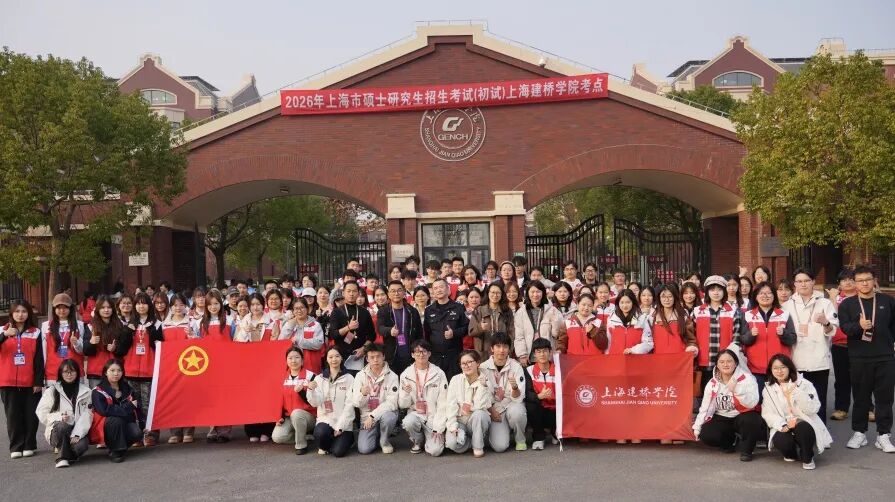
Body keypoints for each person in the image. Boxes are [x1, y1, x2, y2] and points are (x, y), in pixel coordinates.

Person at [838, 265, 895, 453]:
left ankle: (883, 435)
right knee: (861, 398)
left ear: (874, 280)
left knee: (885, 398)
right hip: (859, 358)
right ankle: (859, 432)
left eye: (868, 279)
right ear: (855, 283)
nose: (864, 283)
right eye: (860, 280)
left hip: (885, 357)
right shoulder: (847, 304)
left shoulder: (888, 301)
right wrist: (859, 326)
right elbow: (845, 329)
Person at [782, 268, 838, 423]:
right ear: (794, 284)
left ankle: (821, 433)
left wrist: (825, 322)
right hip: (795, 362)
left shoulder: (825, 303)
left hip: (818, 361)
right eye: (799, 281)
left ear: (813, 282)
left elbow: (832, 330)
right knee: (796, 402)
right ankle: (801, 433)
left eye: (807, 280)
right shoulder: (786, 306)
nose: (803, 284)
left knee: (818, 401)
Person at [761, 354, 833, 470]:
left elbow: (813, 409)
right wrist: (782, 425)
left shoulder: (804, 384)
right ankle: (791, 453)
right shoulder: (768, 388)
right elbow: (767, 413)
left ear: (790, 368)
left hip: (802, 421)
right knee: (782, 441)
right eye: (775, 368)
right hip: (784, 423)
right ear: (771, 370)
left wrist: (797, 392)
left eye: (783, 367)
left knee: (804, 428)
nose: (779, 371)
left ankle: (807, 457)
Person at [693, 349, 764, 461]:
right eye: (722, 362)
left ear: (735, 363)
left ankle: (747, 450)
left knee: (752, 420)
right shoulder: (712, 383)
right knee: (706, 434)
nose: (725, 364)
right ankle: (729, 443)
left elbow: (752, 402)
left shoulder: (747, 378)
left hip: (742, 414)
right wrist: (697, 427)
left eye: (729, 361)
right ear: (717, 365)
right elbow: (705, 408)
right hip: (722, 416)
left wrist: (737, 389)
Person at [0, 299, 43, 459]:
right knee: (13, 415)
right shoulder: (2, 330)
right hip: (7, 381)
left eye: (24, 311)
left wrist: (38, 381)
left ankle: (29, 444)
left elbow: (39, 359)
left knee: (31, 415)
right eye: (17, 311)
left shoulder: (35, 332)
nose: (20, 314)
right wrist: (4, 336)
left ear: (28, 313)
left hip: (30, 382)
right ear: (11, 314)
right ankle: (16, 446)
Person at [693, 275, 748, 391]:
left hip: (726, 361)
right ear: (707, 292)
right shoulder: (698, 311)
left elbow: (736, 337)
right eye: (712, 289)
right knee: (707, 390)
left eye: (719, 289)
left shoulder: (733, 311)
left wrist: (731, 356)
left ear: (724, 291)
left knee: (725, 391)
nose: (716, 293)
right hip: (704, 360)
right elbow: (692, 335)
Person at [123, 292, 163, 446]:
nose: (141, 306)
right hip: (131, 371)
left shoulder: (156, 324)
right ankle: (137, 435)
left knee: (149, 405)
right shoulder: (129, 324)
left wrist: (151, 331)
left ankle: (151, 434)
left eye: (144, 303)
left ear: (149, 305)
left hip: (149, 370)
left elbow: (159, 347)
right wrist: (128, 332)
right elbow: (122, 348)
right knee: (135, 405)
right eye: (138, 303)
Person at [343, 344, 399, 454]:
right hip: (366, 417)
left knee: (389, 417)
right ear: (367, 359)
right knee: (364, 449)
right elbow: (356, 403)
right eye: (372, 357)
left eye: (378, 356)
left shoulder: (392, 376)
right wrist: (362, 394)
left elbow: (392, 403)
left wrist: (373, 416)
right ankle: (377, 434)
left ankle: (384, 441)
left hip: (383, 414)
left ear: (383, 357)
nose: (375, 360)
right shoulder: (360, 376)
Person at [741, 282, 797, 391]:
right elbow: (743, 339)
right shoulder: (748, 315)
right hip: (755, 368)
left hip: (780, 369)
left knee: (780, 398)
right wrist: (751, 335)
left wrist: (783, 334)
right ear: (756, 297)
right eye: (761, 293)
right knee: (758, 398)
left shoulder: (784, 314)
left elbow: (792, 339)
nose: (765, 296)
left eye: (768, 293)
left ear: (774, 295)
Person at [36, 360, 92, 468]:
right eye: (66, 372)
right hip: (57, 431)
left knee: (82, 446)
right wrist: (59, 417)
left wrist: (77, 433)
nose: (69, 375)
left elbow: (88, 415)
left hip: (76, 430)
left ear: (77, 373)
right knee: (62, 426)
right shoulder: (52, 390)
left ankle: (66, 453)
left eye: (72, 371)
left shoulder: (86, 391)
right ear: (60, 373)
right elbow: (41, 412)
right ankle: (62, 459)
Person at [398, 339, 448, 456]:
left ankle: (430, 438)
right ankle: (418, 441)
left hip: (433, 416)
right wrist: (405, 393)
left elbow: (443, 403)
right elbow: (403, 405)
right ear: (412, 354)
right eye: (417, 351)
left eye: (424, 351)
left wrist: (438, 427)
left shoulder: (439, 373)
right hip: (416, 414)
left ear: (429, 353)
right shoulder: (405, 375)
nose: (421, 354)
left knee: (435, 451)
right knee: (408, 422)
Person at [479, 333, 527, 452]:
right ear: (492, 348)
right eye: (498, 346)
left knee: (517, 412)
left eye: (505, 346)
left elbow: (518, 398)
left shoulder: (516, 366)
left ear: (509, 349)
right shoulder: (483, 368)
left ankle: (520, 439)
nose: (501, 350)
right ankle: (503, 430)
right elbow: (482, 395)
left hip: (511, 404)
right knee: (500, 447)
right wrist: (491, 410)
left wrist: (515, 388)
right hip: (494, 408)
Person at [442, 350, 493, 457]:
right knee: (452, 444)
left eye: (470, 362)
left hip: (476, 419)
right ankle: (471, 441)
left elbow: (481, 406)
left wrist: (483, 387)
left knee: (479, 414)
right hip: (461, 420)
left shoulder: (485, 380)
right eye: (463, 363)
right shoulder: (455, 379)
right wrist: (452, 426)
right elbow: (451, 405)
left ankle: (478, 447)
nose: (466, 366)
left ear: (478, 363)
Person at [91, 359, 141, 462]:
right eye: (112, 370)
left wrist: (142, 423)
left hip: (126, 421)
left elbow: (136, 406)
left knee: (137, 433)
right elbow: (104, 410)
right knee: (116, 420)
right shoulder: (98, 390)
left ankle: (121, 448)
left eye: (119, 370)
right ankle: (115, 450)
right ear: (106, 372)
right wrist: (127, 407)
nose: (116, 373)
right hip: (107, 426)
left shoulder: (127, 388)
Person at [307, 347, 354, 457]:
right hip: (326, 419)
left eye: (337, 356)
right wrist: (311, 390)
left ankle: (348, 439)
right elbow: (315, 403)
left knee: (338, 452)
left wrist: (340, 427)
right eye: (331, 357)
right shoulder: (319, 378)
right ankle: (328, 443)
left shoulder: (349, 378)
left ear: (341, 358)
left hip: (343, 422)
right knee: (320, 433)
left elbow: (350, 405)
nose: (334, 359)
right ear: (327, 359)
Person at [272, 347, 317, 455]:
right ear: (286, 361)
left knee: (296, 413)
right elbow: (279, 400)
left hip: (308, 416)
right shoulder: (282, 377)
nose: (293, 361)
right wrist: (280, 416)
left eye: (297, 357)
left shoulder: (311, 376)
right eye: (290, 358)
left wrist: (301, 392)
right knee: (277, 437)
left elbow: (315, 401)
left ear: (302, 360)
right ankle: (303, 437)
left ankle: (301, 445)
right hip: (289, 417)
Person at [84, 295, 133, 388]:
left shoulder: (121, 325)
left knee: (117, 396)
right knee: (97, 396)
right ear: (98, 309)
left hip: (116, 371)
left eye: (109, 307)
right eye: (103, 307)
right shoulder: (91, 326)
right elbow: (86, 351)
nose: (106, 310)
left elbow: (125, 349)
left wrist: (115, 349)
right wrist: (91, 343)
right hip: (96, 371)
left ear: (113, 309)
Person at [828, 268, 857, 421]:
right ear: (839, 283)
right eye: (844, 280)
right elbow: (832, 318)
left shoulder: (863, 297)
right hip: (840, 345)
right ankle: (841, 408)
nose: (848, 282)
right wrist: (833, 299)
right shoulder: (835, 299)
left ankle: (868, 408)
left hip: (860, 344)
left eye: (851, 279)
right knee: (841, 379)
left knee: (863, 378)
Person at [424, 279, 469, 379]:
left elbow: (466, 328)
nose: (438, 290)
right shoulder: (429, 310)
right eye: (435, 288)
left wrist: (454, 333)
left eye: (441, 287)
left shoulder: (459, 307)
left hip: (454, 356)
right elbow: (427, 333)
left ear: (448, 289)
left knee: (454, 383)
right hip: (435, 357)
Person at [376, 281, 423, 376]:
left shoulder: (412, 311)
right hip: (391, 357)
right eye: (393, 291)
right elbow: (380, 328)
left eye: (399, 290)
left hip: (410, 357)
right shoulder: (383, 311)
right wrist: (389, 330)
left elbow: (419, 334)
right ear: (388, 294)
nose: (396, 293)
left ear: (404, 292)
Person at [42, 293, 88, 385]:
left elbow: (83, 351)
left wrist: (76, 343)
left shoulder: (80, 325)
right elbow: (44, 351)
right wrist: (43, 373)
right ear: (54, 309)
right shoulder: (46, 326)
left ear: (70, 309)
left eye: (65, 307)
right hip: (53, 373)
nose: (62, 310)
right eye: (58, 308)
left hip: (75, 372)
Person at [514, 281, 561, 365]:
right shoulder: (521, 312)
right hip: (529, 356)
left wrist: (555, 320)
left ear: (543, 293)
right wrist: (522, 354)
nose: (535, 295)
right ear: (527, 293)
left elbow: (556, 334)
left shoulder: (552, 310)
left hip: (547, 355)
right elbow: (519, 336)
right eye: (532, 292)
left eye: (538, 291)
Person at [328, 281, 375, 366]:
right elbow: (333, 334)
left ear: (358, 293)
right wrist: (348, 327)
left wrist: (363, 349)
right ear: (343, 293)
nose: (351, 294)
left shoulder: (364, 312)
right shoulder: (336, 312)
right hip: (341, 356)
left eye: (354, 291)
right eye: (348, 291)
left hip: (360, 355)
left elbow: (372, 336)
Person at [525, 338, 557, 450]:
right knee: (530, 405)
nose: (542, 354)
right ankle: (539, 437)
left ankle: (555, 432)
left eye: (545, 351)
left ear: (550, 352)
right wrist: (539, 396)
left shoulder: (559, 370)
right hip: (539, 409)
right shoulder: (528, 370)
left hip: (555, 409)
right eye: (538, 352)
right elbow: (527, 393)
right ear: (534, 354)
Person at [469, 283, 515, 360]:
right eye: (493, 292)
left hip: (502, 351)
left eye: (498, 293)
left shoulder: (507, 311)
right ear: (488, 293)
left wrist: (509, 350)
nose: (495, 295)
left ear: (502, 294)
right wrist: (480, 327)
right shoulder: (479, 310)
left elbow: (512, 333)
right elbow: (471, 332)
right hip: (484, 352)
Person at [280, 297, 325, 375]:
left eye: (302, 307)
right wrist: (290, 326)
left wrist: (299, 340)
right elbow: (281, 341)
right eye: (296, 308)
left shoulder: (315, 325)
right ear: (293, 311)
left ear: (307, 309)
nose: (299, 311)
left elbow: (318, 344)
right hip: (293, 367)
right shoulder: (289, 324)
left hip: (312, 366)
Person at [606, 290, 653, 356]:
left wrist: (633, 350)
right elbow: (608, 342)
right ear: (618, 303)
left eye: (628, 302)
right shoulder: (611, 319)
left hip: (636, 359)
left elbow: (648, 343)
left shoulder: (642, 319)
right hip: (615, 359)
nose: (625, 305)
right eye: (622, 302)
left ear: (633, 302)